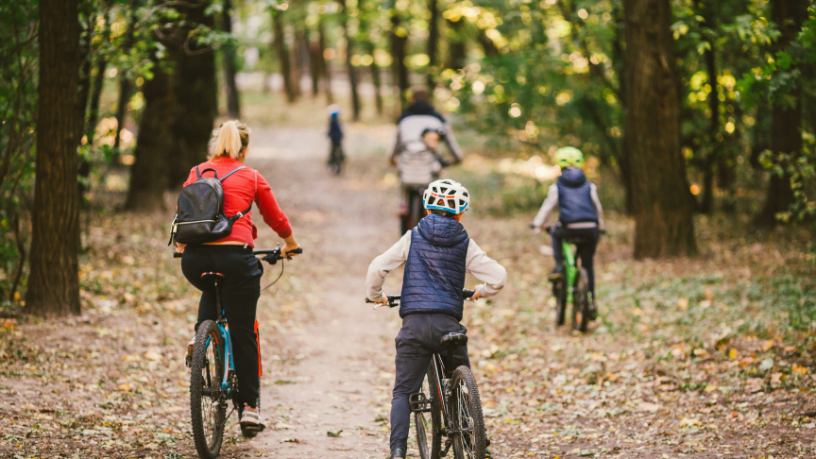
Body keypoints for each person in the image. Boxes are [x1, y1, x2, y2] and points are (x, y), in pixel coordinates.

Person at [366, 179, 506, 459]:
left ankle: (397, 452)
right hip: (447, 326)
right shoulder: (464, 242)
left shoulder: (413, 236)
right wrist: (481, 291)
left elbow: (377, 267)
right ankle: (470, 427)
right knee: (459, 375)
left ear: (427, 210)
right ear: (461, 213)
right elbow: (499, 277)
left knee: (403, 392)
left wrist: (376, 296)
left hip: (415, 326)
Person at [176, 120, 300, 427]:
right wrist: (290, 244)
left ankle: (201, 337)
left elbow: (185, 213)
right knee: (244, 331)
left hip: (194, 260)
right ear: (243, 149)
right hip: (235, 258)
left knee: (211, 285)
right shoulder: (251, 176)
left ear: (216, 145)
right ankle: (250, 408)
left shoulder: (197, 172)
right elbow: (276, 218)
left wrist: (181, 247)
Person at [531, 146, 603, 317]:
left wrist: (538, 224)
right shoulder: (589, 185)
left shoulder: (558, 186)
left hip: (569, 228)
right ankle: (591, 301)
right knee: (587, 265)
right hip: (591, 229)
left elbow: (547, 208)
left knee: (555, 233)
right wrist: (600, 224)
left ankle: (559, 265)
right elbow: (597, 207)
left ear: (559, 166)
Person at [388, 87, 464, 231]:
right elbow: (451, 143)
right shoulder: (438, 119)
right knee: (436, 187)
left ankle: (403, 206)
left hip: (407, 165)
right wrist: (457, 158)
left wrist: (392, 158)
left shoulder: (403, 119)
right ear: (429, 101)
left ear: (412, 100)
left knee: (404, 179)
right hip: (429, 168)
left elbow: (394, 146)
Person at [327, 104, 344, 170]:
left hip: (334, 139)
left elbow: (330, 130)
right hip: (337, 138)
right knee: (337, 149)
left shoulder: (332, 122)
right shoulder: (337, 122)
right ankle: (340, 159)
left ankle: (332, 161)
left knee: (333, 150)